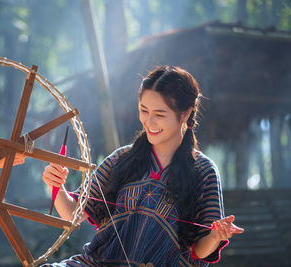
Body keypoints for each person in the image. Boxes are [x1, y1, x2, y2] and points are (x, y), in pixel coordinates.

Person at [41, 66, 244, 266]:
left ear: (185, 113)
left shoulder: (204, 171)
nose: (149, 121)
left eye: (159, 114)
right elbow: (73, 214)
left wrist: (216, 236)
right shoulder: (121, 158)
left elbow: (200, 250)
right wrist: (56, 185)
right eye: (143, 110)